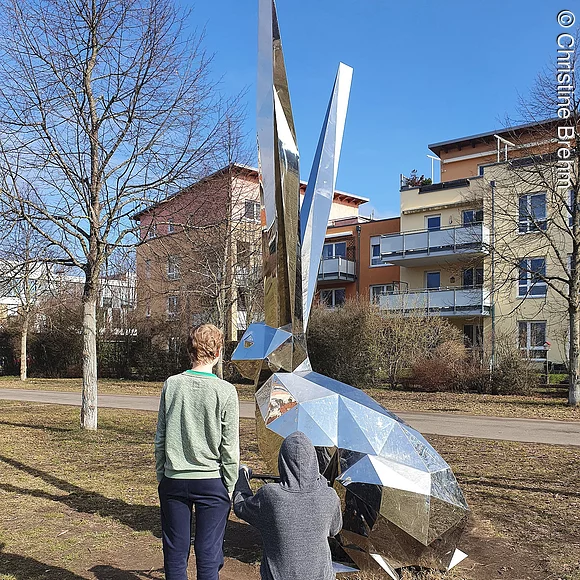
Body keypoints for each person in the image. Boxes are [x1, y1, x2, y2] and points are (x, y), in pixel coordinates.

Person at [155, 323, 239, 580]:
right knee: (209, 554)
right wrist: (229, 486)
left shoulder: (172, 385)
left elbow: (160, 438)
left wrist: (162, 476)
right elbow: (230, 447)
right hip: (211, 481)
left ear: (190, 351)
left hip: (174, 479)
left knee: (175, 552)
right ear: (218, 352)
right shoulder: (226, 391)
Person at [233, 431, 342, 580]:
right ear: (313, 460)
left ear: (282, 460)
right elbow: (334, 529)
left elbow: (240, 507)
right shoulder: (329, 496)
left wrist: (242, 475)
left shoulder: (270, 495)